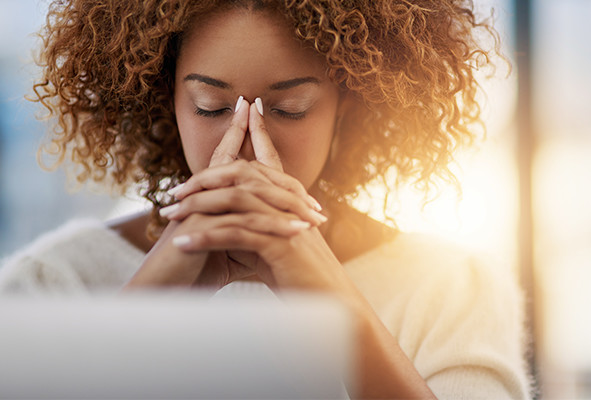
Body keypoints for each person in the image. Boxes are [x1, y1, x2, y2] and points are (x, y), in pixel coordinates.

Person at [0, 0, 532, 398]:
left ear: (345, 106)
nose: (250, 142)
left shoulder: (450, 290)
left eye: (291, 108)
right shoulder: (53, 284)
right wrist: (152, 298)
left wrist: (329, 295)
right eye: (211, 107)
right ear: (168, 102)